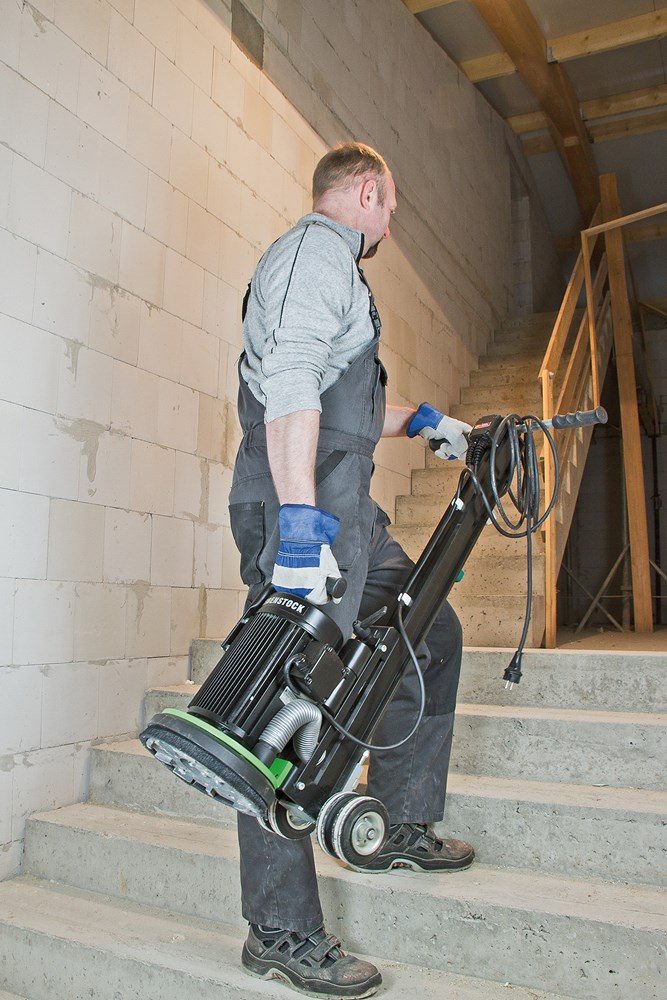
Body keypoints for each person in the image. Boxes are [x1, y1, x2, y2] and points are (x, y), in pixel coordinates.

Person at [228, 142, 474, 999]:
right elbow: (292, 380)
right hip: (302, 508)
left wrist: (426, 420)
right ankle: (278, 928)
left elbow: (340, 406)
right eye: (390, 205)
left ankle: (398, 823)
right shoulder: (312, 255)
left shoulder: (337, 272)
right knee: (281, 700)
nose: (391, 222)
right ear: (366, 192)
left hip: (346, 509)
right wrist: (299, 527)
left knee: (428, 630)